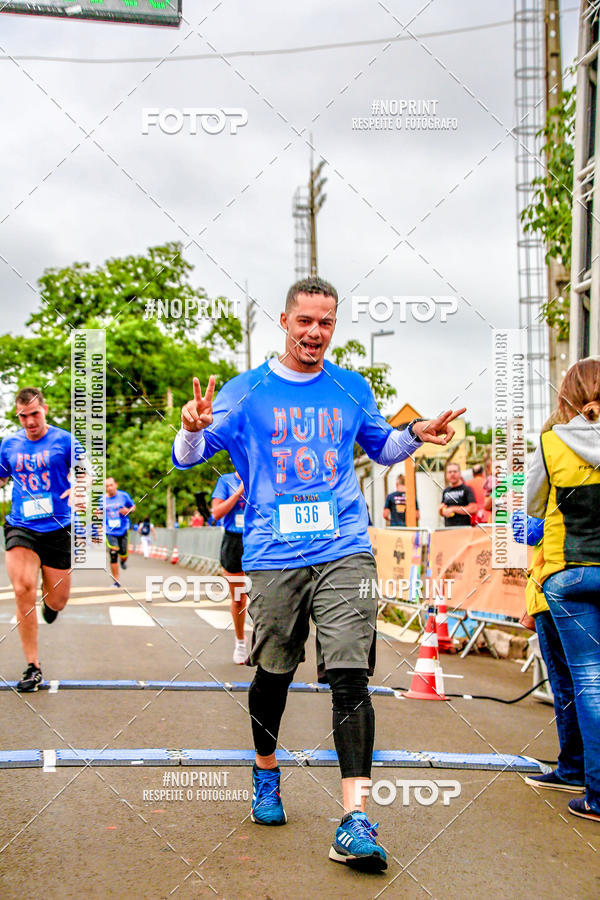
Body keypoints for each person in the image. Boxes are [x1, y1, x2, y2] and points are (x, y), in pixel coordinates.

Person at [172, 276, 465, 871]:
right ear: (285, 322)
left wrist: (415, 437)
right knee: (274, 673)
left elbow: (381, 448)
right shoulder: (245, 390)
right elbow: (188, 458)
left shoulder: (350, 387)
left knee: (351, 674)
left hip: (344, 548)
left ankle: (355, 819)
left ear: (334, 325)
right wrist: (193, 428)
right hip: (275, 554)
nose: (315, 332)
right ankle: (265, 771)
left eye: (326, 322)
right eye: (305, 321)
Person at [527, 357, 600, 824]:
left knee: (589, 686)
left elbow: (532, 505)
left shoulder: (551, 442)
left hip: (570, 574)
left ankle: (595, 792)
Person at [0, 387, 85, 691]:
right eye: (24, 416)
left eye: (35, 414)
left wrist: (80, 488)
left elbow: (87, 472)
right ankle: (32, 666)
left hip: (58, 527)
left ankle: (51, 606)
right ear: (18, 416)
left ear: (44, 410)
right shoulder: (9, 444)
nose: (30, 421)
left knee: (57, 599)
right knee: (22, 588)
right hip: (20, 525)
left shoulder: (64, 440)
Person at [512, 509, 585, 795]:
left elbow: (528, 532)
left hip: (554, 589)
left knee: (566, 685)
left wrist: (514, 507)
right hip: (580, 587)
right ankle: (587, 769)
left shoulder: (555, 479)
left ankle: (573, 770)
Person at [211, 471, 248, 664]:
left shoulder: (260, 472)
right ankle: (240, 642)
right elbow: (216, 513)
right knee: (238, 598)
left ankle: (264, 645)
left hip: (258, 539)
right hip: (234, 541)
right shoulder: (226, 481)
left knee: (263, 597)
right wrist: (238, 493)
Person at [104, 476, 135, 587]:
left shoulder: (124, 496)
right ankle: (116, 581)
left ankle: (123, 560)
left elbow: (133, 507)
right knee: (113, 553)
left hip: (123, 529)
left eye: (111, 485)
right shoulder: (102, 500)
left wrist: (128, 511)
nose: (109, 487)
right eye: (107, 486)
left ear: (115, 485)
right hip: (109, 530)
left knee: (123, 553)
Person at [439, 462, 477, 527]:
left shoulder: (467, 489)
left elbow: (474, 508)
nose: (452, 474)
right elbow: (443, 510)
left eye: (455, 471)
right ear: (446, 474)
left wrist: (453, 509)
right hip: (448, 530)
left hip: (464, 529)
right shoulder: (446, 491)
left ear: (460, 473)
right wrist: (440, 511)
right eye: (450, 472)